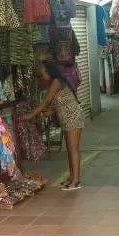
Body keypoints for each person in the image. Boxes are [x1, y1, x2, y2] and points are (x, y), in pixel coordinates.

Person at [21, 60, 85, 190]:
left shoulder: (56, 82)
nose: (42, 78)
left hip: (73, 117)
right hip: (67, 118)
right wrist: (45, 115)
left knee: (73, 149)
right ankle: (72, 177)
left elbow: (46, 102)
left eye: (43, 74)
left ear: (50, 72)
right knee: (70, 149)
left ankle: (76, 180)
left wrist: (30, 115)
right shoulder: (55, 83)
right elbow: (54, 106)